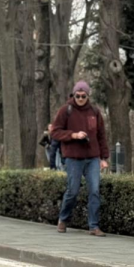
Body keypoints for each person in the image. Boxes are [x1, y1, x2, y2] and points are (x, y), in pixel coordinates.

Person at [51, 81, 109, 236]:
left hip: (92, 158)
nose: (81, 99)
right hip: (73, 157)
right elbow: (55, 132)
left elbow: (101, 135)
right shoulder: (66, 110)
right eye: (78, 96)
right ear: (74, 95)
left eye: (83, 96)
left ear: (88, 96)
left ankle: (94, 226)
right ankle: (63, 219)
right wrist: (73, 135)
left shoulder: (95, 112)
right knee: (73, 191)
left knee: (94, 191)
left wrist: (104, 157)